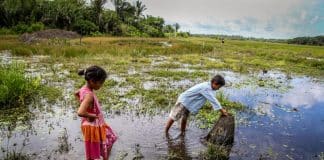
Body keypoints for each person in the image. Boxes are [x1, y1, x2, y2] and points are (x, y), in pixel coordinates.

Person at [75, 65, 117, 160]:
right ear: (92, 81)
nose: (101, 85)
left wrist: (86, 106)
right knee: (104, 143)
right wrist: (91, 115)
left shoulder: (84, 89)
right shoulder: (89, 95)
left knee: (109, 138)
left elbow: (76, 93)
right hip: (93, 126)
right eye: (100, 83)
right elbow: (80, 112)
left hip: (93, 124)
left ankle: (104, 157)